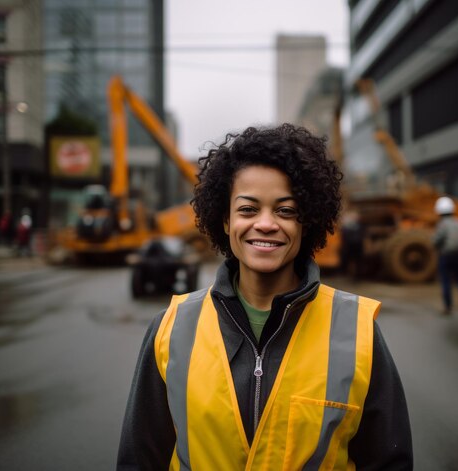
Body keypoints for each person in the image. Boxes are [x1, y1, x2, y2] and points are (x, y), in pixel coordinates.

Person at [117, 124, 413, 470]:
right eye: (248, 209)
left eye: (286, 210)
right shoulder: (171, 328)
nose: (266, 224)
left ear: (308, 222)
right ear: (225, 220)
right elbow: (139, 461)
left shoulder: (359, 331)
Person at [432, 196, 458, 316]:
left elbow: (437, 240)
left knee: (446, 280)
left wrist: (434, 244)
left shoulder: (442, 224)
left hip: (446, 255)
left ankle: (448, 306)